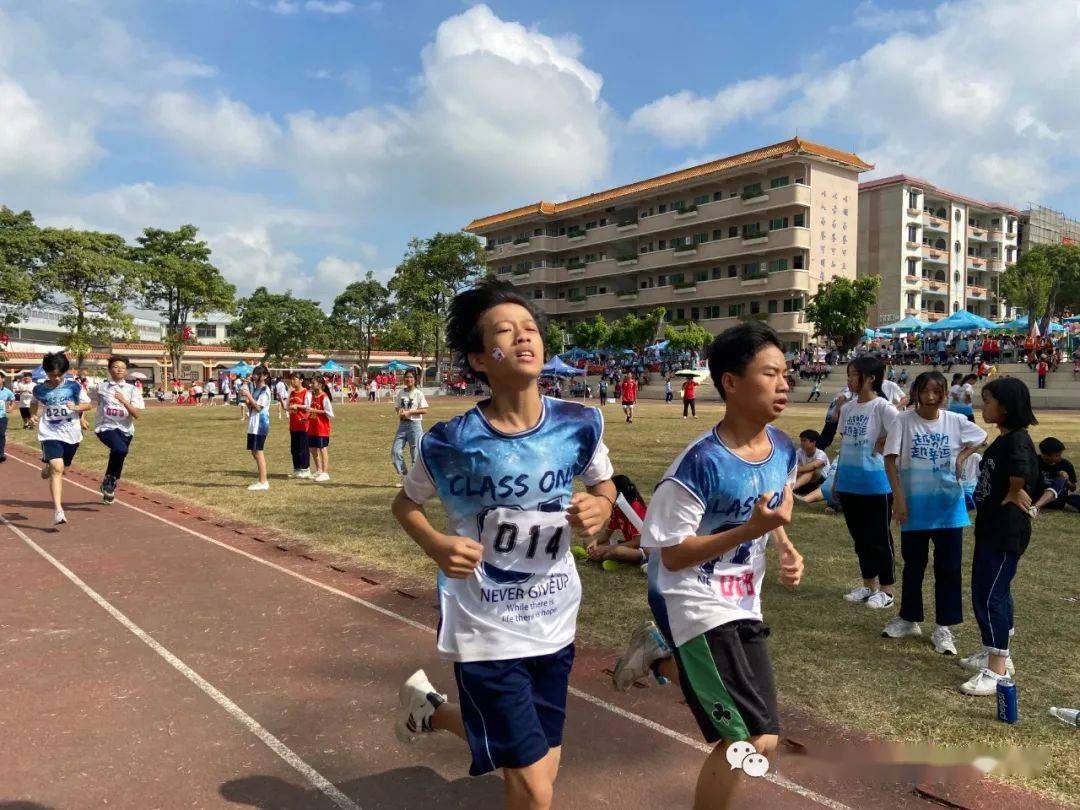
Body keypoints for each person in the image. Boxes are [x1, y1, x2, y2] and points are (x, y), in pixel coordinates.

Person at [390, 278, 616, 810]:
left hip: (555, 616)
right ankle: (437, 712)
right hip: (485, 625)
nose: (523, 338)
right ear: (478, 358)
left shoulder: (578, 424)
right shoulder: (450, 442)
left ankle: (430, 713)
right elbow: (405, 505)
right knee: (535, 788)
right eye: (505, 332)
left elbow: (604, 485)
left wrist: (602, 507)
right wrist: (436, 545)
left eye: (531, 329)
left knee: (540, 765)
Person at [611, 322, 803, 810]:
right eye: (770, 373)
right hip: (689, 597)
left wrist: (783, 545)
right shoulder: (699, 465)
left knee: (767, 738)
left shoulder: (784, 450)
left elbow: (771, 513)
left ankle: (659, 657)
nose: (784, 384)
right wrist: (752, 531)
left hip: (742, 598)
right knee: (746, 740)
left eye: (786, 373)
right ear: (731, 382)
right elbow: (670, 553)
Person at [882, 371, 986, 655]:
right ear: (915, 392)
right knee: (913, 566)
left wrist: (963, 456)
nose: (930, 398)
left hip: (949, 508)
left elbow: (982, 436)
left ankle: (944, 628)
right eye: (924, 391)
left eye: (936, 392)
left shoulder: (955, 421)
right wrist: (899, 500)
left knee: (948, 569)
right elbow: (890, 461)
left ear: (944, 395)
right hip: (914, 508)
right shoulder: (903, 421)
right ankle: (909, 618)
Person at [959, 378, 1038, 695]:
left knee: (991, 594)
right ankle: (995, 648)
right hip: (991, 529)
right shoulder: (1006, 438)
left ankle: (997, 671)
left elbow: (1023, 472)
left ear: (1005, 407)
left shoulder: (1017, 440)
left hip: (1005, 532)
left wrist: (1014, 492)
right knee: (989, 590)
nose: (983, 406)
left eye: (988, 401)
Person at [833, 355, 899, 608]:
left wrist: (883, 443)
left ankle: (887, 591)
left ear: (871, 378)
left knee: (880, 537)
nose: (849, 380)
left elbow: (901, 433)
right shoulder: (848, 408)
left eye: (854, 375)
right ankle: (868, 585)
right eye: (848, 375)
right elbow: (844, 444)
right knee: (859, 538)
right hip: (849, 482)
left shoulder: (883, 407)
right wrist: (838, 479)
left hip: (875, 484)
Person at [28, 352, 93, 525]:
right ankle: (58, 510)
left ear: (65, 372)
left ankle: (48, 469)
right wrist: (32, 415)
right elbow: (34, 403)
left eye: (59, 375)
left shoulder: (74, 387)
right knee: (58, 467)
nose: (55, 378)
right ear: (46, 372)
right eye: (51, 375)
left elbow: (88, 404)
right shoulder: (39, 389)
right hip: (49, 432)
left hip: (72, 433)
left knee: (63, 469)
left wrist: (78, 408)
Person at [92, 356, 145, 505]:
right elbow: (86, 401)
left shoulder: (132, 389)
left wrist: (123, 400)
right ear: (109, 370)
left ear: (126, 371)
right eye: (115, 366)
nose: (119, 369)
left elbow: (136, 414)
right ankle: (110, 482)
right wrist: (81, 416)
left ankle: (109, 482)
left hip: (126, 429)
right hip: (105, 426)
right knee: (120, 449)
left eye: (122, 367)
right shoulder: (100, 387)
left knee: (120, 453)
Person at [575, 474, 649, 572]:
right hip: (627, 544)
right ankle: (604, 557)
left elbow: (637, 542)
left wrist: (607, 549)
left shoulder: (635, 508)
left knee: (617, 551)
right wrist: (594, 543)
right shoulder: (618, 508)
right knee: (588, 542)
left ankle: (624, 560)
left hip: (644, 549)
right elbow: (606, 535)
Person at [391, 369, 429, 486]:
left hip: (414, 425)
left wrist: (410, 412)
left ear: (415, 379)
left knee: (415, 454)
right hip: (402, 425)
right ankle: (405, 476)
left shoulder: (418, 393)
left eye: (411, 377)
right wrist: (400, 411)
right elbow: (397, 407)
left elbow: (425, 410)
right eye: (407, 377)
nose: (409, 379)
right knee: (395, 451)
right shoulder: (401, 393)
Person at [238, 366, 271, 491]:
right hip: (253, 423)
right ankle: (261, 478)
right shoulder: (256, 389)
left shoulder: (265, 390)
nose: (255, 376)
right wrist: (247, 399)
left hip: (260, 424)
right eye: (254, 374)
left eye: (258, 374)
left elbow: (258, 408)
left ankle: (263, 481)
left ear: (265, 376)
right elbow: (252, 406)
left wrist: (248, 396)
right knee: (254, 451)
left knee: (258, 451)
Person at [1031, 437, 1080, 514]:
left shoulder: (1066, 464)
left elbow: (1073, 488)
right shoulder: (1034, 462)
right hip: (1037, 497)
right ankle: (1036, 506)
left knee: (1061, 480)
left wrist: (1066, 480)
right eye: (1057, 455)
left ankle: (1035, 507)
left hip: (1057, 501)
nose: (1060, 457)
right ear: (1045, 455)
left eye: (1060, 454)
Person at [307, 375, 334, 482]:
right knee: (313, 449)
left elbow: (330, 413)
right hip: (312, 427)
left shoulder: (324, 397)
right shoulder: (313, 396)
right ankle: (318, 470)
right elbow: (313, 412)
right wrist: (307, 418)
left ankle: (325, 472)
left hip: (322, 428)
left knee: (322, 449)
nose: (311, 385)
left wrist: (315, 410)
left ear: (320, 385)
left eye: (313, 383)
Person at [286, 371, 312, 479]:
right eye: (291, 379)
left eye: (294, 379)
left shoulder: (306, 392)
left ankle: (305, 469)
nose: (292, 381)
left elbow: (309, 406)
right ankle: (297, 469)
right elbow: (287, 406)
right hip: (293, 424)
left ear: (301, 380)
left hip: (303, 424)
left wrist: (298, 406)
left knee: (303, 448)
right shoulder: (291, 393)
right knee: (294, 449)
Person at [794, 429, 829, 495]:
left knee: (811, 471)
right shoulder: (800, 452)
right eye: (801, 440)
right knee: (793, 473)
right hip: (806, 480)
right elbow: (791, 465)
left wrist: (796, 469)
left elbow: (814, 466)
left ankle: (790, 489)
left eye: (804, 440)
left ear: (813, 442)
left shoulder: (821, 454)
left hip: (821, 481)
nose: (801, 443)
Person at [0, 371, 14, 461]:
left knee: (1, 435)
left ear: (3, 379)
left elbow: (12, 398)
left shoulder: (7, 391)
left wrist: (11, 408)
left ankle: (1, 454)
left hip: (2, 417)